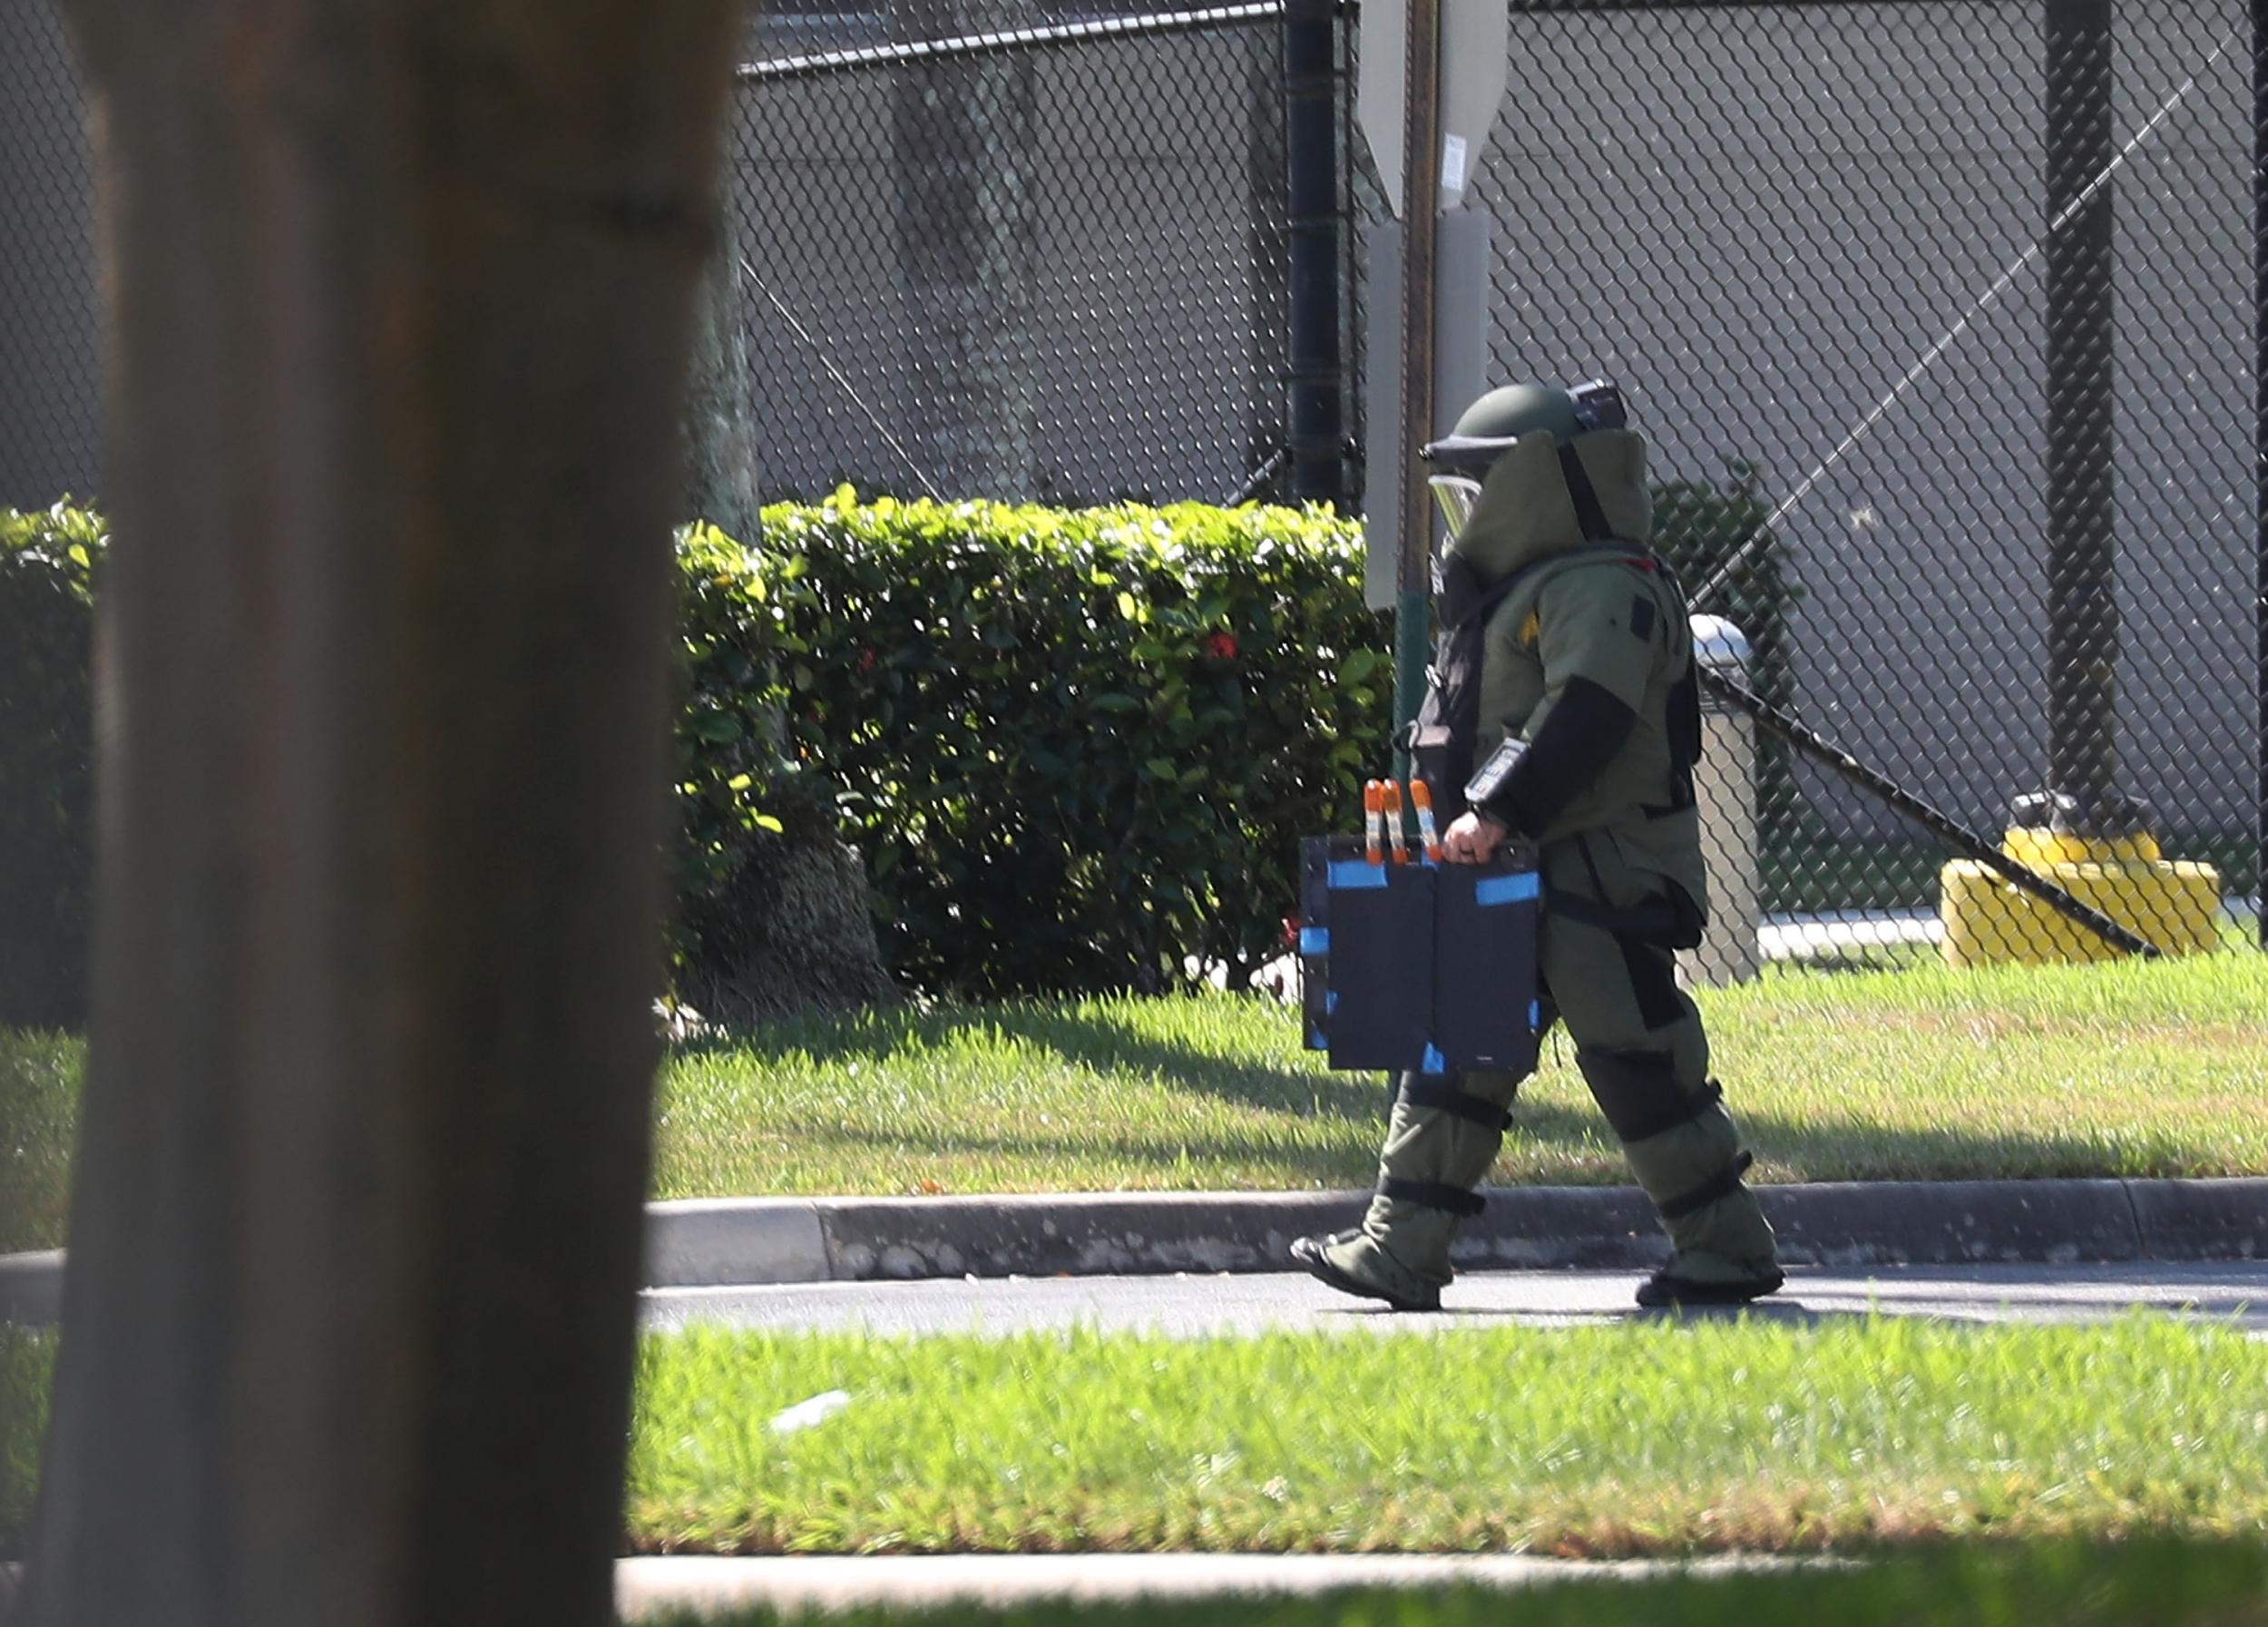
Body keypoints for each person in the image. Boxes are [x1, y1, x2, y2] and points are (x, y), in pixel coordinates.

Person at [1290, 379, 1784, 1310]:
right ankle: (1399, 1249)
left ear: (1538, 487)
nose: (1463, 521)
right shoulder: (1547, 584)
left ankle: (1726, 1249)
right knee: (1451, 1050)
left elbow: (1585, 712)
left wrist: (1495, 811)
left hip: (1598, 873)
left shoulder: (1605, 584)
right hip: (1521, 869)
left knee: (1640, 1062)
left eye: (1479, 494)